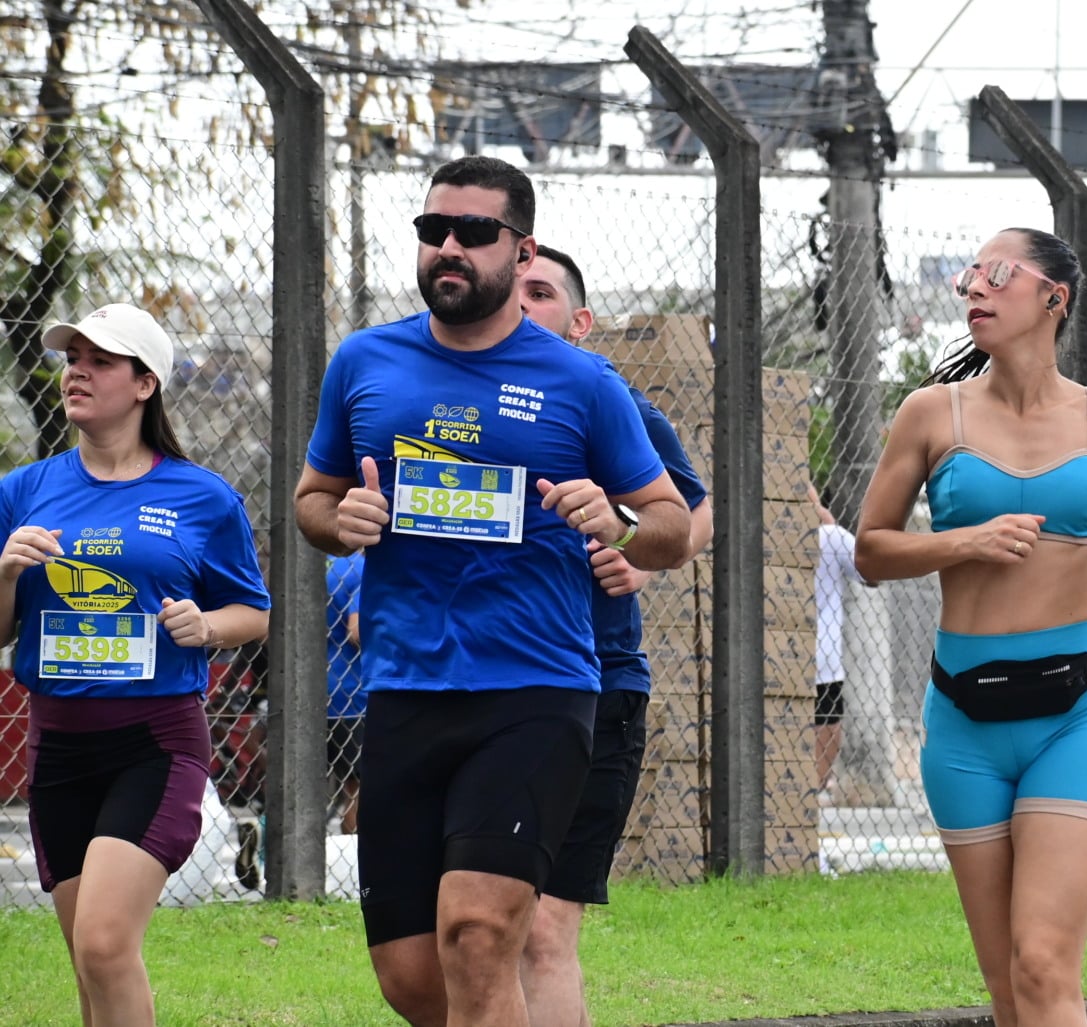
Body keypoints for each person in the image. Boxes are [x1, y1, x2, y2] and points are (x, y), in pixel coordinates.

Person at [293, 156, 692, 1027]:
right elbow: (311, 499)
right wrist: (340, 518)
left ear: (521, 249)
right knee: (412, 975)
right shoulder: (364, 362)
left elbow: (673, 523)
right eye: (433, 229)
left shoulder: (581, 381)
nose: (449, 247)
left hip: (534, 691)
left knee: (478, 935)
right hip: (403, 688)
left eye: (473, 232)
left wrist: (618, 521)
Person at [853, 227, 1087, 1027]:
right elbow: (871, 550)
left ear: (1054, 298)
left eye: (997, 274)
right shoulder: (930, 412)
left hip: (1078, 713)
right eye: (970, 275)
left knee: (1042, 962)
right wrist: (962, 542)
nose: (975, 288)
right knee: (1006, 983)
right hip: (964, 718)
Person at [0, 303, 270, 1025]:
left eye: (100, 360)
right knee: (89, 966)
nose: (77, 372)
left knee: (104, 943)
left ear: (146, 383)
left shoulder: (202, 496)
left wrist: (205, 625)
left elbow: (254, 611)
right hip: (57, 747)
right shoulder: (23, 490)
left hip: (154, 744)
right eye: (72, 359)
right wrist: (5, 574)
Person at [513, 245, 713, 1027]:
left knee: (543, 929)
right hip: (477, 688)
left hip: (598, 685)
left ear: (580, 320)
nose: (522, 303)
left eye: (541, 292)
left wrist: (641, 557)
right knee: (471, 928)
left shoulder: (611, 401)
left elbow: (694, 509)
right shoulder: (451, 400)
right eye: (513, 289)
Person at [808, 481, 874, 795]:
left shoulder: (827, 538)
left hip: (811, 658)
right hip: (825, 660)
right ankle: (816, 786)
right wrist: (826, 519)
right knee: (828, 721)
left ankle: (813, 786)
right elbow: (871, 574)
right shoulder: (831, 538)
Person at [326, 552, 365, 834]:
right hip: (353, 693)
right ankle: (359, 855)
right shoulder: (363, 567)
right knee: (359, 788)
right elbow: (357, 631)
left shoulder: (325, 562)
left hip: (312, 684)